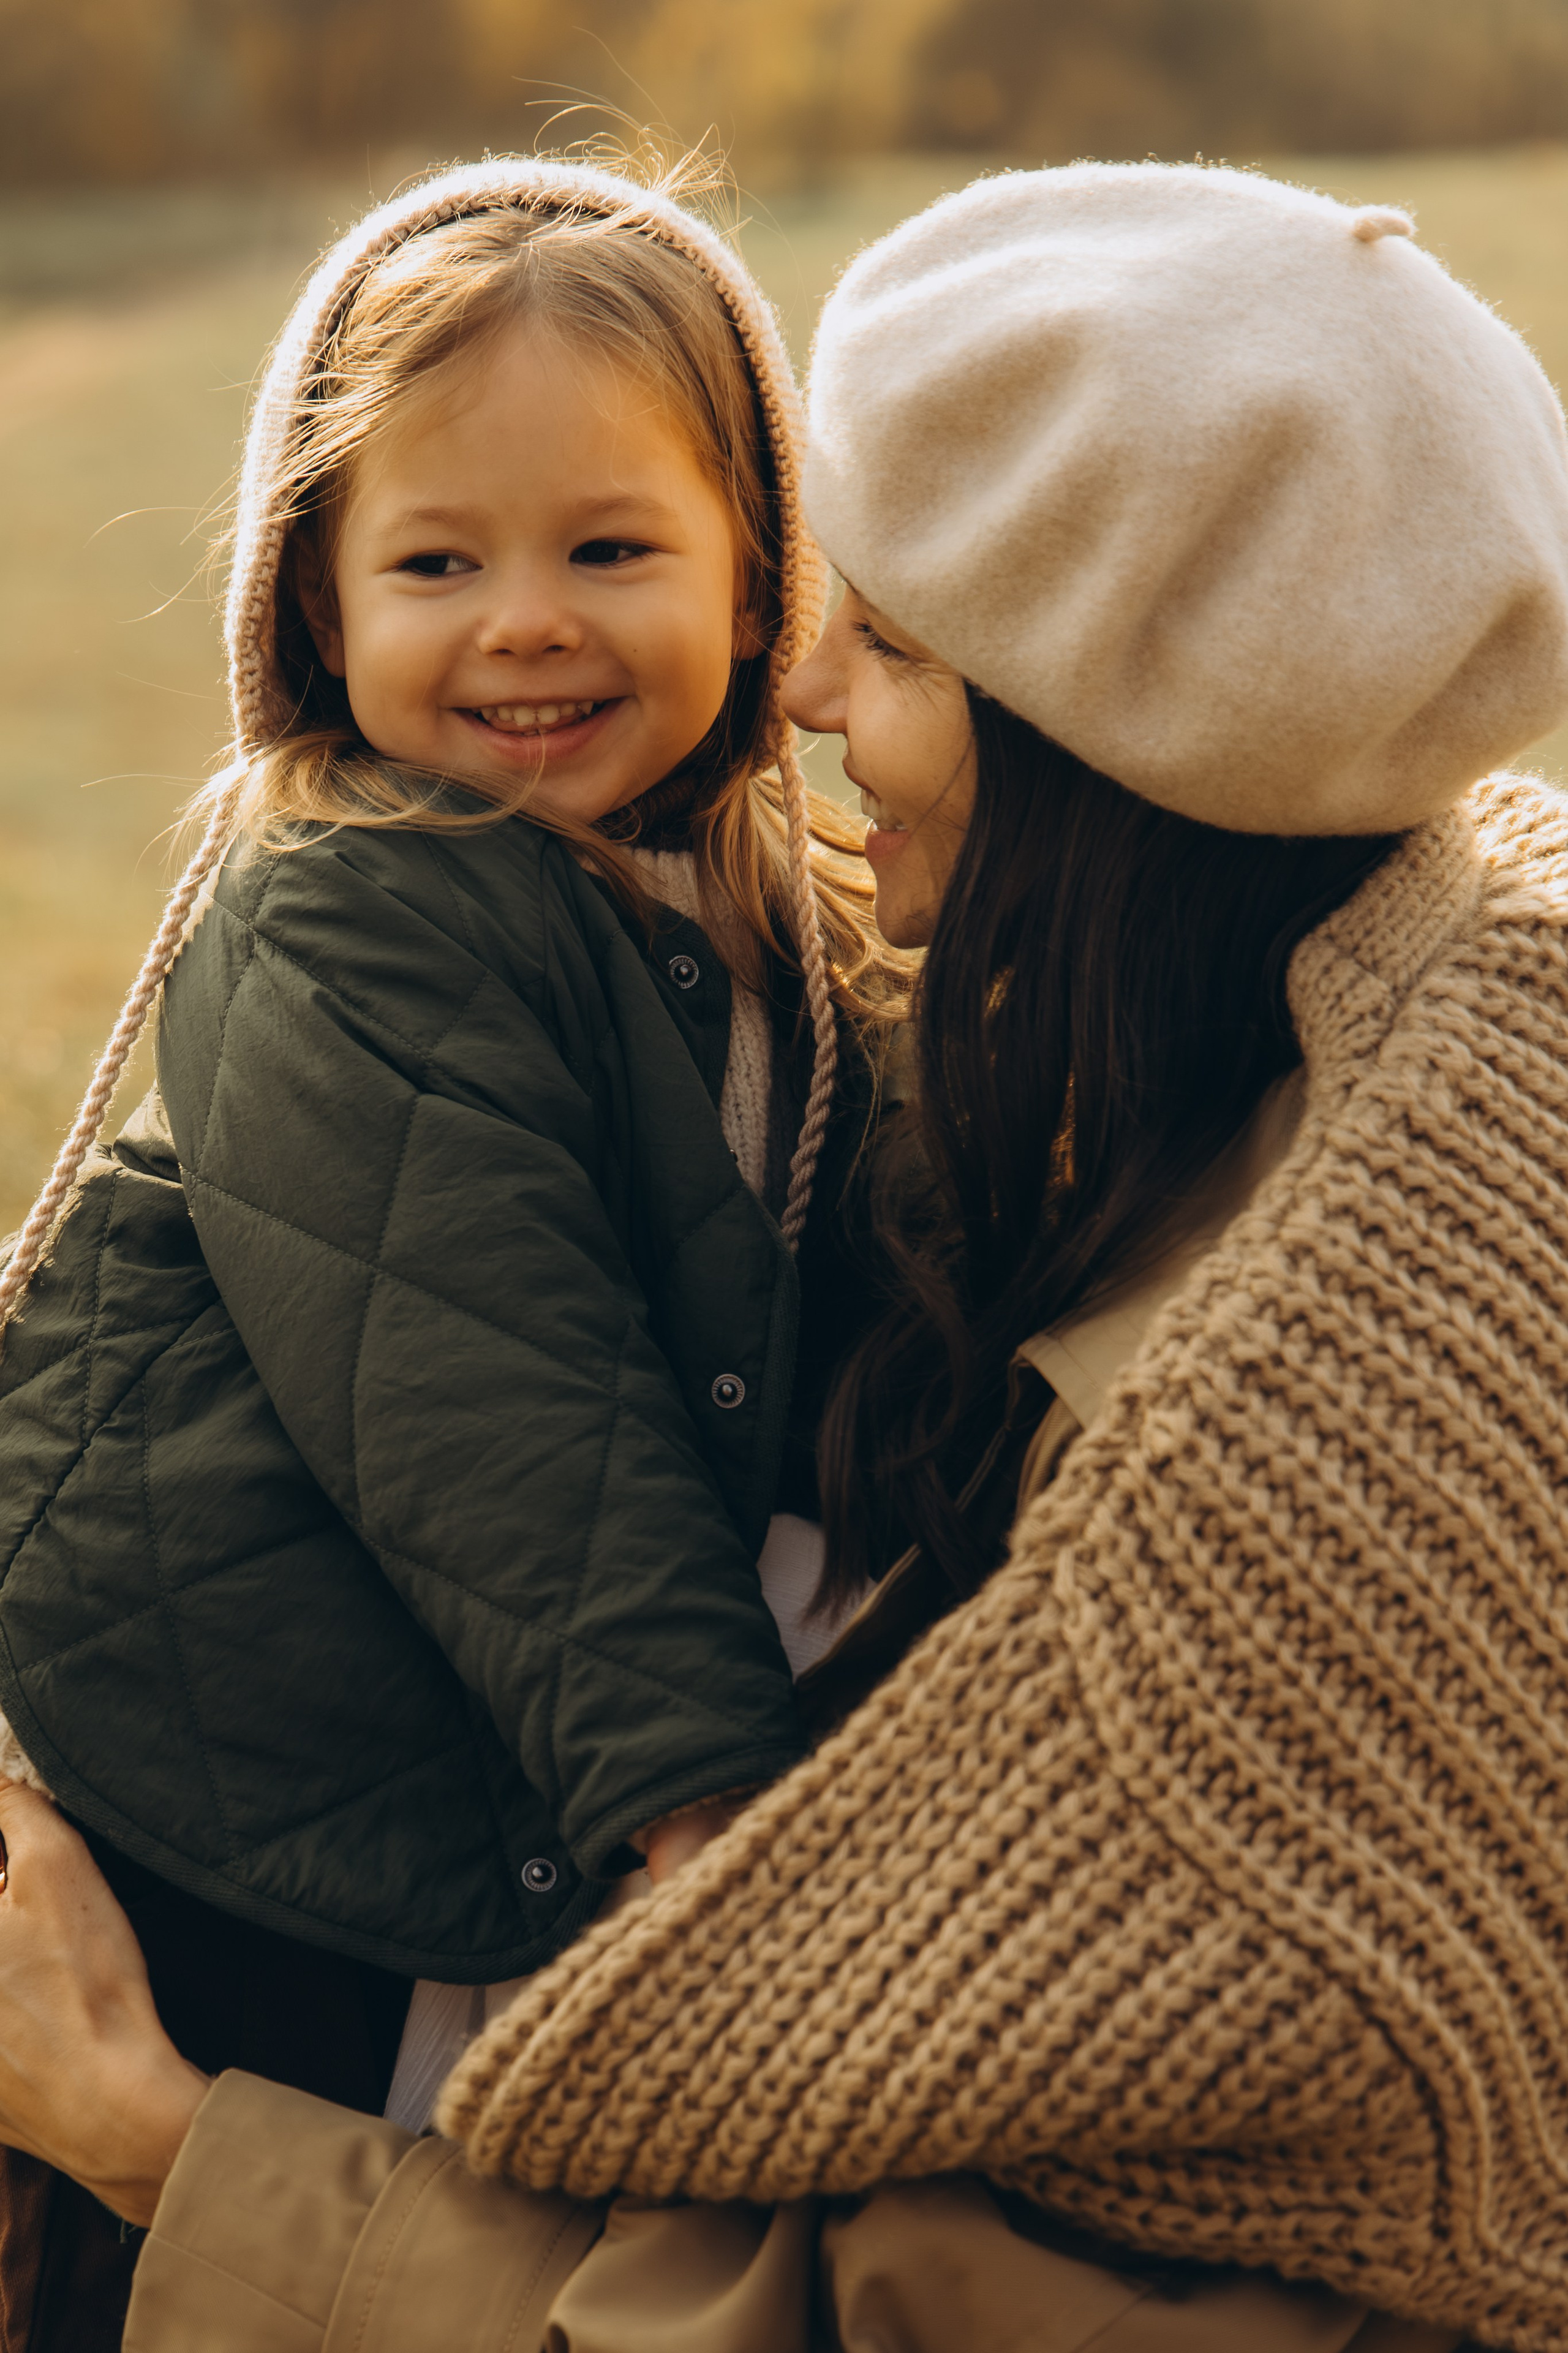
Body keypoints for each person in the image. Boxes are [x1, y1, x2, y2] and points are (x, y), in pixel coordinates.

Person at [2, 158, 1567, 2351]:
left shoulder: (1307, 1435)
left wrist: (183, 2152)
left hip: (412, 2007)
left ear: (1110, 760)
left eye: (899, 642)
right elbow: (506, 1424)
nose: (814, 680)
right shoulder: (1209, 1065)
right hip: (293, 1852)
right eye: (434, 558)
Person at [0, 153, 900, 2343]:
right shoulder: (351, 911)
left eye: (611, 548)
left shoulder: (782, 930)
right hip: (228, 1789)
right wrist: (713, 1844)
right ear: (320, 605)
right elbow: (503, 1423)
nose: (526, 619)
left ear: (762, 584)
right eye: (436, 559)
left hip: (447, 1785)